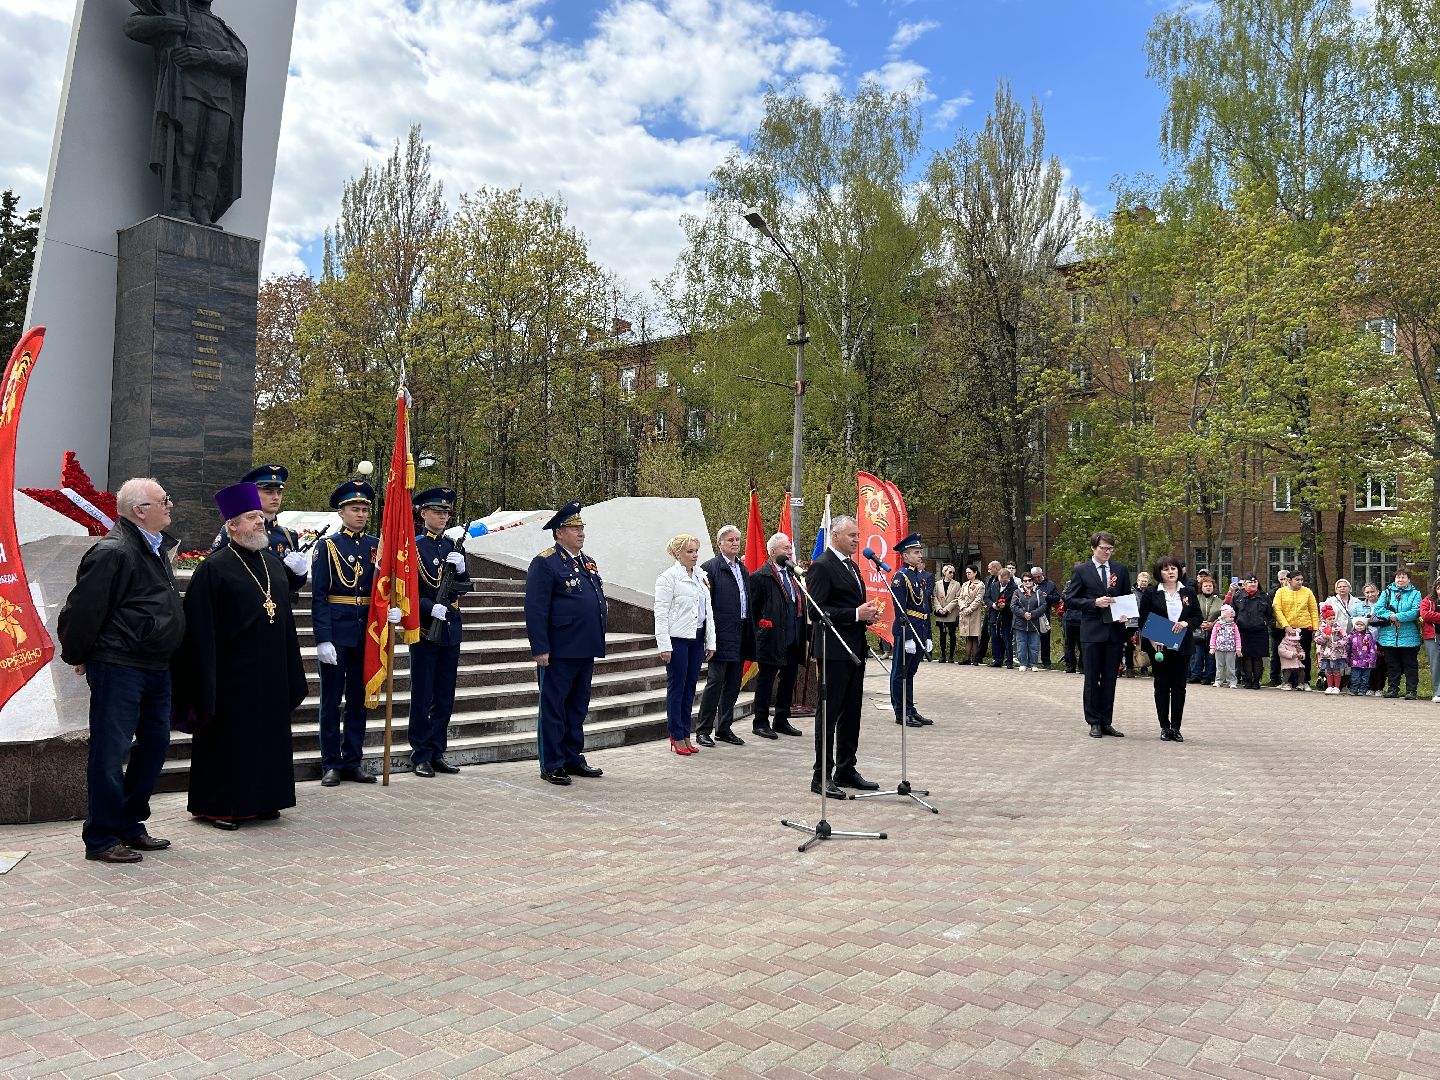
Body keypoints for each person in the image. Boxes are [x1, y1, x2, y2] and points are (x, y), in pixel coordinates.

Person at [57, 478, 185, 864]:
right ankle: (101, 836)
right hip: (119, 665)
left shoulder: (154, 547)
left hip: (154, 665)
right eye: (163, 500)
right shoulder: (114, 551)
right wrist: (79, 653)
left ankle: (130, 823)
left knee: (155, 746)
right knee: (110, 753)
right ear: (139, 511)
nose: (170, 505)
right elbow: (83, 609)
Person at [172, 483, 306, 829]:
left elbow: (285, 622)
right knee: (230, 743)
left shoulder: (273, 564)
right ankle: (220, 806)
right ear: (232, 525)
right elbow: (198, 632)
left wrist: (292, 670)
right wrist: (205, 681)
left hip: (271, 674)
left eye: (260, 516)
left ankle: (265, 799)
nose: (260, 522)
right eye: (251, 517)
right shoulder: (213, 569)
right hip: (231, 678)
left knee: (268, 740)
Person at [123, 1, 248, 226]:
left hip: (221, 99)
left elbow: (240, 60)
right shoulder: (176, 10)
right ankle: (180, 205)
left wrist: (204, 56)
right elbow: (132, 25)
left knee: (212, 158)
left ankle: (202, 210)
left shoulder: (221, 27)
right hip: (187, 90)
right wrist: (166, 23)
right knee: (185, 148)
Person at [525, 502, 608, 785]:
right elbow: (536, 609)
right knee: (554, 707)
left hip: (584, 647)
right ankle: (552, 763)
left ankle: (573, 757)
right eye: (574, 528)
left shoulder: (586, 561)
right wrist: (540, 648)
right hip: (559, 649)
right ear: (559, 532)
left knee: (577, 707)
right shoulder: (545, 563)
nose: (580, 532)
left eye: (582, 527)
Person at [311, 480, 386, 787]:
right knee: (331, 700)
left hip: (364, 632)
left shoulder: (375, 545)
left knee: (358, 698)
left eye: (365, 509)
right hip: (337, 631)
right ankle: (331, 762)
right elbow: (318, 596)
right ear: (341, 512)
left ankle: (353, 760)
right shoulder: (327, 546)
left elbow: (381, 588)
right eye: (354, 509)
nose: (360, 514)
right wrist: (322, 638)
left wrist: (390, 611)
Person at [805, 515, 881, 796]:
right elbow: (815, 611)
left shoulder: (851, 566)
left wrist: (865, 616)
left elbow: (850, 605)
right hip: (833, 651)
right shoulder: (822, 567)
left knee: (852, 713)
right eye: (851, 535)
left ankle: (846, 768)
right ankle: (821, 776)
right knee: (830, 713)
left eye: (858, 535)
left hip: (854, 650)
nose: (857, 540)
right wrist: (854, 614)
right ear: (835, 536)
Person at [408, 486, 470, 777]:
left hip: (449, 629)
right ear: (423, 514)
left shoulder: (453, 547)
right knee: (423, 694)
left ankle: (437, 750)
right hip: (424, 629)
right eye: (437, 511)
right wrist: (427, 607)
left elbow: (465, 587)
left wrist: (460, 571)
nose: (443, 516)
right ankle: (420, 753)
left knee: (445, 695)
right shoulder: (414, 547)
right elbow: (406, 589)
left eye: (446, 512)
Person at [1061, 531, 1132, 739]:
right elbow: (1070, 599)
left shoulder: (1121, 569)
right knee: (1092, 678)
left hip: (1114, 632)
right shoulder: (1082, 570)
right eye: (1103, 548)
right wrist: (1093, 603)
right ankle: (1093, 721)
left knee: (1110, 679)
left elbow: (1126, 596)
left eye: (1110, 549)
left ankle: (1106, 721)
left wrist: (1125, 614)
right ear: (1093, 548)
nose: (1107, 552)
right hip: (1092, 631)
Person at [207, 464, 310, 601]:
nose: (276, 497)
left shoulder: (288, 535)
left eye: (279, 492)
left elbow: (290, 585)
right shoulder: (235, 530)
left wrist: (300, 574)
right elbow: (214, 569)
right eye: (269, 492)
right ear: (253, 494)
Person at [654, 533, 715, 755]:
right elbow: (660, 613)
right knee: (677, 688)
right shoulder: (668, 578)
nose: (695, 555)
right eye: (689, 551)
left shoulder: (701, 576)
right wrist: (664, 645)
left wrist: (711, 641)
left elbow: (707, 612)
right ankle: (676, 734)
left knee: (690, 688)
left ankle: (686, 734)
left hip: (697, 637)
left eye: (696, 551)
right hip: (677, 639)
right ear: (677, 554)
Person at [695, 524, 755, 747]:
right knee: (715, 682)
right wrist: (707, 637)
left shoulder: (743, 569)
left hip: (740, 634)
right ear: (719, 543)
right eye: (730, 540)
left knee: (733, 684)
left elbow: (746, 602)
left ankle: (724, 728)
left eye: (738, 539)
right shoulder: (710, 568)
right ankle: (703, 730)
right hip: (719, 635)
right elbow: (705, 606)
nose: (735, 543)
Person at [749, 533, 806, 740]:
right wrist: (762, 630)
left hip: (793, 637)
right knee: (766, 681)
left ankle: (781, 719)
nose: (789, 552)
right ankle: (760, 722)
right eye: (785, 549)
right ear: (773, 552)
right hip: (771, 638)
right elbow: (754, 611)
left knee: (789, 680)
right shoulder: (760, 577)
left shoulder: (793, 575)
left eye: (790, 548)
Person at [1138, 556, 1202, 741]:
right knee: (1162, 686)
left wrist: (1185, 623)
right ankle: (1164, 727)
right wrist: (1151, 640)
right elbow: (1143, 619)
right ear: (1159, 573)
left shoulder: (1188, 591)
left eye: (1173, 568)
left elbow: (1197, 616)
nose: (1171, 572)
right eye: (1166, 569)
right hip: (1159, 646)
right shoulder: (1151, 592)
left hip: (1182, 645)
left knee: (1179, 687)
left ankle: (1176, 727)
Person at [887, 533, 934, 726]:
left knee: (910, 672)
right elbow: (900, 609)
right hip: (908, 631)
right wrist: (907, 637)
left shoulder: (918, 576)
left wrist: (928, 635)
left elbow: (925, 607)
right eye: (916, 552)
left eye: (920, 551)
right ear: (905, 556)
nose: (920, 555)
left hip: (920, 629)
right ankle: (901, 712)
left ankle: (910, 708)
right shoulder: (901, 577)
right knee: (900, 672)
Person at [1373, 568, 1422, 699]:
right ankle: (1393, 688)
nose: (1400, 580)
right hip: (1389, 635)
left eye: (1403, 577)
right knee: (1392, 665)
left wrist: (1398, 617)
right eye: (1398, 577)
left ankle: (1411, 690)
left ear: (1409, 579)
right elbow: (1378, 609)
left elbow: (1416, 611)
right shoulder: (1387, 592)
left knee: (1410, 665)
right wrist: (1391, 616)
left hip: (1409, 636)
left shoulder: (1415, 593)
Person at [1271, 570, 1320, 691]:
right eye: (1297, 580)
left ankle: (1304, 681)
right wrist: (1286, 626)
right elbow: (1277, 609)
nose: (1300, 582)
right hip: (1286, 628)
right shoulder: (1280, 592)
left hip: (1304, 627)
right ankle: (1287, 681)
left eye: (1301, 580)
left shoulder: (1307, 592)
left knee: (1304, 654)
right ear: (1289, 580)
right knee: (1288, 655)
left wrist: (1315, 628)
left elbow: (1313, 610)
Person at [1231, 574, 1272, 690]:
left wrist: (1264, 622)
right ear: (1244, 585)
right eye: (1250, 582)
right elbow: (1234, 612)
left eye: (1255, 582)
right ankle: (1248, 680)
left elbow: (1269, 613)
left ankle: (1256, 681)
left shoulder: (1264, 597)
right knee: (1246, 656)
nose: (1253, 584)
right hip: (1243, 630)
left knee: (1258, 657)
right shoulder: (1238, 596)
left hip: (1259, 631)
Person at [1189, 576, 1223, 685]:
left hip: (1213, 632)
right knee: (1196, 654)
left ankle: (1208, 676)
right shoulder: (1196, 599)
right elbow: (1191, 613)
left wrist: (1213, 624)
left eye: (1210, 586)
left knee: (1210, 655)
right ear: (1201, 587)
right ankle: (1195, 675)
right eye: (1205, 586)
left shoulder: (1219, 601)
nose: (1208, 588)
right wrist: (1200, 623)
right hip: (1197, 631)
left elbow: (1223, 616)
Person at [1011, 572, 1045, 671]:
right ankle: (1023, 663)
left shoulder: (1038, 592)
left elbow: (1043, 606)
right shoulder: (1017, 592)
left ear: (1032, 580)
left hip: (1034, 623)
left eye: (1029, 580)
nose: (1027, 582)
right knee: (1021, 644)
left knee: (1034, 644)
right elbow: (1013, 606)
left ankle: (1034, 664)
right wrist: (1023, 614)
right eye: (1025, 581)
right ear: (1022, 582)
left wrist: (1033, 614)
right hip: (1020, 623)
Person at [1314, 605, 1349, 695]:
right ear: (1325, 620)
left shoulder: (1339, 629)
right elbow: (1316, 639)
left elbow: (1345, 639)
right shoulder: (1322, 629)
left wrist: (1337, 644)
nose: (1332, 621)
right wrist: (1325, 637)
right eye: (1329, 619)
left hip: (1337, 654)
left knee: (1336, 670)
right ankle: (1329, 686)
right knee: (1328, 670)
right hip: (1326, 653)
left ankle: (1337, 687)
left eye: (1333, 618)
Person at [985, 566, 1016, 668]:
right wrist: (992, 605)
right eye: (1001, 580)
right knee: (995, 638)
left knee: (1007, 639)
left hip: (1007, 617)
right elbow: (986, 597)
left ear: (1008, 578)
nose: (1002, 582)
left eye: (1005, 580)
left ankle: (1009, 661)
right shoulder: (994, 586)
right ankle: (997, 659)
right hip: (994, 616)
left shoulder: (1014, 588)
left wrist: (1005, 605)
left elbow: (1015, 603)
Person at [1031, 567, 1060, 668]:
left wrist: (1047, 596)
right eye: (1034, 578)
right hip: (1032, 613)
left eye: (1038, 577)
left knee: (1045, 637)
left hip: (1044, 614)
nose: (1037, 579)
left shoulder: (1050, 584)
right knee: (1032, 637)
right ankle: (1032, 659)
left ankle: (1046, 661)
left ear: (1042, 574)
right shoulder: (1031, 583)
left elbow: (1057, 598)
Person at [932, 564, 962, 663]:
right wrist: (939, 608)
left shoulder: (957, 584)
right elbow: (934, 597)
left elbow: (957, 598)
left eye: (953, 572)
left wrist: (947, 608)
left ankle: (951, 655)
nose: (951, 574)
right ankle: (943, 654)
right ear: (944, 573)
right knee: (942, 634)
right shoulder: (938, 584)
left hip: (951, 613)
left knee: (952, 634)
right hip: (940, 612)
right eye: (950, 572)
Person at [1123, 571, 1151, 677]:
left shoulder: (1151, 592)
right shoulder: (1131, 592)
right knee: (1130, 645)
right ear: (1138, 581)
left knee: (1145, 645)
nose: (1143, 583)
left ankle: (1144, 667)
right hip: (1132, 623)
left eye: (1146, 581)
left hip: (1146, 622)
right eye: (1142, 580)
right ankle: (1129, 668)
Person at [956, 564, 985, 664]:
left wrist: (968, 609)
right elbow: (960, 597)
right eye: (967, 573)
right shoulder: (964, 584)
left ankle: (975, 658)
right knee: (967, 635)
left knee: (974, 635)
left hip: (974, 613)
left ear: (975, 573)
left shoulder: (980, 585)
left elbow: (978, 600)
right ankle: (967, 658)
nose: (968, 575)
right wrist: (963, 607)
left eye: (970, 573)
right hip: (964, 612)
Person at [1269, 569, 1292, 685]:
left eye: (1286, 579)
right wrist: (1273, 623)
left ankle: (1289, 678)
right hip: (1277, 627)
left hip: (1291, 626)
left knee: (1290, 653)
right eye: (1281, 579)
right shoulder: (1274, 592)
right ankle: (1274, 676)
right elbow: (1272, 609)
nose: (1284, 581)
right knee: (1276, 652)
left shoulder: (1294, 591)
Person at [1209, 604, 1241, 689]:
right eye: (1230, 617)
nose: (1232, 619)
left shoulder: (1234, 626)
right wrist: (1212, 647)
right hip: (1219, 649)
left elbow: (1237, 638)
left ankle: (1232, 681)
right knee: (1219, 666)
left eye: (1232, 617)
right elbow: (1213, 636)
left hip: (1230, 649)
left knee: (1231, 666)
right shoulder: (1218, 625)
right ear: (1224, 617)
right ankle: (1218, 681)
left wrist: (1238, 648)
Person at [977, 559, 1001, 664]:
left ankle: (998, 657)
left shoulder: (1002, 579)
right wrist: (989, 604)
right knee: (984, 634)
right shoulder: (988, 579)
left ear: (996, 568)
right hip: (989, 609)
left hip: (998, 611)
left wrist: (995, 604)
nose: (988, 571)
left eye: (990, 569)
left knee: (996, 635)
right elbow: (986, 594)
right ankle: (979, 656)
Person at [1347, 616, 1378, 696]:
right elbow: (1348, 648)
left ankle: (1363, 690)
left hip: (1366, 661)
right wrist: (1347, 658)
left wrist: (1372, 659)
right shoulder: (1351, 636)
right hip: (1355, 661)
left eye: (1362, 625)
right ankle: (1353, 689)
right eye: (1357, 624)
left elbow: (1372, 648)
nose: (1359, 626)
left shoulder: (1368, 636)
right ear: (1354, 626)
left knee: (1365, 677)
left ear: (1365, 626)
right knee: (1355, 676)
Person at [1423, 580, 1440, 703]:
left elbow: (1431, 615)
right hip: (1433, 636)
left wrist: (1435, 616)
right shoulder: (1427, 601)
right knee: (1435, 664)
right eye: (1439, 588)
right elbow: (1425, 615)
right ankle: (1438, 692)